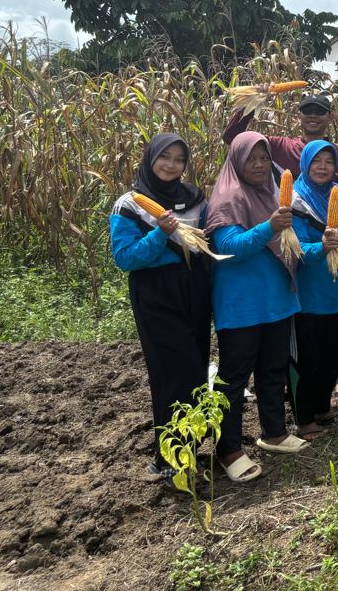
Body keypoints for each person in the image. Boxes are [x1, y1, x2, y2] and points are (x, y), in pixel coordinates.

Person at [224, 89, 338, 411]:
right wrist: (252, 100)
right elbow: (235, 139)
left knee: (333, 335)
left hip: (334, 261)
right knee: (306, 339)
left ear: (330, 116)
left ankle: (337, 382)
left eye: (321, 111)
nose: (313, 116)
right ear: (299, 115)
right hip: (295, 242)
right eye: (308, 111)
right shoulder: (282, 146)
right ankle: (303, 400)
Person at [205, 132, 308, 482]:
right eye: (253, 158)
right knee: (233, 379)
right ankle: (229, 449)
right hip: (242, 303)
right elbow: (228, 246)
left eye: (265, 158)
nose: (261, 165)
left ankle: (274, 432)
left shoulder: (270, 192)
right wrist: (268, 227)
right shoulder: (227, 197)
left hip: (275, 299)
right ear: (237, 160)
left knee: (272, 369)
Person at [109, 133, 211, 482]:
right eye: (164, 157)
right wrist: (159, 233)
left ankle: (190, 450)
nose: (171, 165)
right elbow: (125, 258)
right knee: (173, 374)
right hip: (156, 293)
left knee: (196, 369)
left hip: (194, 289)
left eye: (179, 159)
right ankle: (171, 460)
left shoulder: (195, 198)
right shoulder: (130, 204)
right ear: (150, 159)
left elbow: (206, 243)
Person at [288, 140, 338, 441]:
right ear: (305, 164)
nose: (322, 167)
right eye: (316, 161)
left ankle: (320, 407)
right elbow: (293, 246)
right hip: (307, 295)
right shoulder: (296, 200)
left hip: (337, 290)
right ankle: (304, 418)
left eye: (329, 162)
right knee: (308, 359)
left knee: (333, 356)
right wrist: (320, 247)